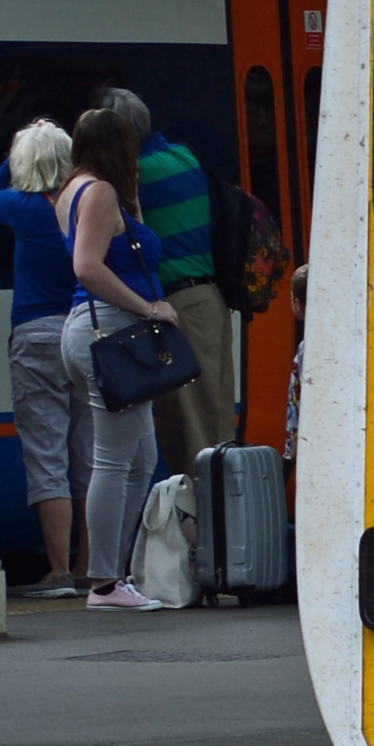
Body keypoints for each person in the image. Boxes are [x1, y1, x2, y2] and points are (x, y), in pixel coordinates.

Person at [59, 108, 183, 611]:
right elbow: (87, 267)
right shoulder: (100, 192)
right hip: (114, 333)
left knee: (141, 459)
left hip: (102, 334)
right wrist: (149, 308)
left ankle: (117, 574)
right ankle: (106, 583)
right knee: (113, 461)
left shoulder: (79, 189)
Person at [101, 89, 230, 469]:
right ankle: (219, 518)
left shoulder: (137, 177)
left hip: (180, 308)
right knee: (214, 424)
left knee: (189, 430)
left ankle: (197, 521)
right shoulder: (184, 156)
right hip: (208, 301)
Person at [0, 121, 89, 599]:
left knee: (47, 458)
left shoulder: (23, 208)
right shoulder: (87, 205)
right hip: (88, 333)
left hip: (38, 337)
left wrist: (24, 149)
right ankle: (93, 564)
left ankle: (58, 571)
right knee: (94, 458)